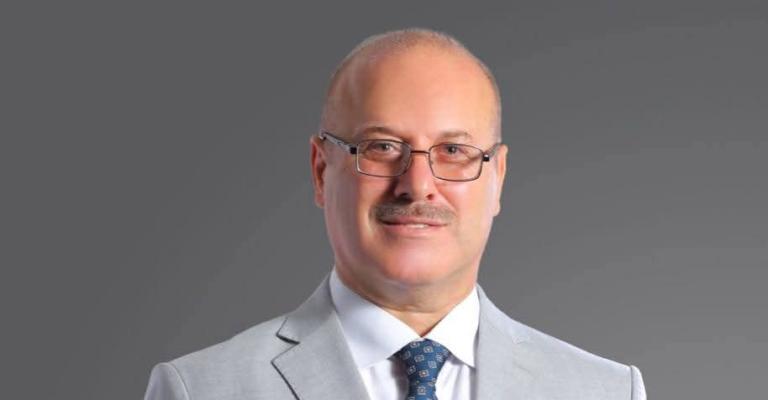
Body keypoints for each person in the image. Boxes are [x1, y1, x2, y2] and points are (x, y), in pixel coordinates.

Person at [144, 28, 646, 400]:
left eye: (454, 151)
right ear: (321, 171)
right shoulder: (201, 390)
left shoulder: (605, 392)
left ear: (498, 177)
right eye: (382, 147)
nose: (418, 184)